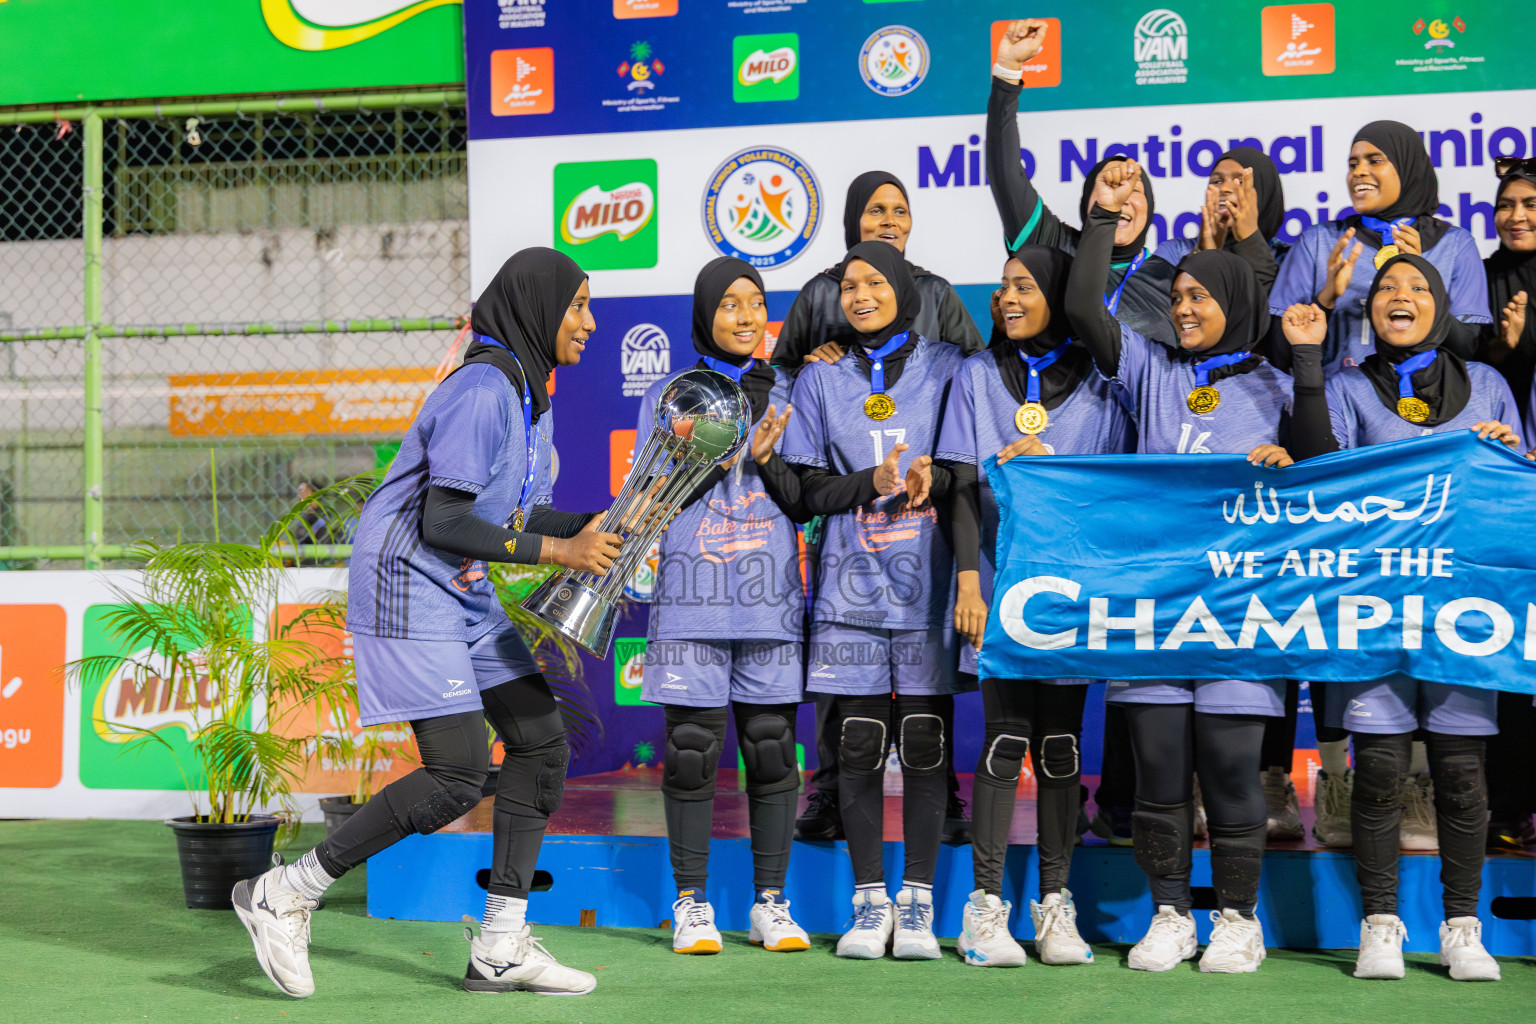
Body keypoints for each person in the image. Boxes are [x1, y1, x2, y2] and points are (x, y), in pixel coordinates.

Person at [232, 248, 619, 999]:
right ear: (539, 308)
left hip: (460, 590)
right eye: (578, 305)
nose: (590, 322)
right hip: (409, 586)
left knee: (539, 742)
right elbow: (443, 519)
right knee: (456, 774)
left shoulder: (528, 391)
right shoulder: (483, 389)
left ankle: (501, 945)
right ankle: (287, 890)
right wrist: (561, 549)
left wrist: (590, 525)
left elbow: (504, 513)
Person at [1065, 159, 1290, 974]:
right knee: (1159, 771)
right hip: (1154, 609)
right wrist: (1100, 220)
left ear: (1237, 300)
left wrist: (1290, 452)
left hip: (1241, 610)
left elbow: (1330, 474)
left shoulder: (1277, 386)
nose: (1187, 307)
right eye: (1180, 295)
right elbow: (1085, 304)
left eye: (1202, 295)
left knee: (1231, 769)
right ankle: (1169, 916)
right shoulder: (1152, 372)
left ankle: (1238, 919)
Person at [1281, 251, 1519, 982]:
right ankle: (1379, 925)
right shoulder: (1348, 388)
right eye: (1386, 287)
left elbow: (1521, 490)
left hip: (1463, 615)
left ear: (1442, 306)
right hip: (1376, 610)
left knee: (1461, 777)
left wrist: (1514, 455)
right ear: (1370, 308)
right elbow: (1321, 466)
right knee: (1379, 775)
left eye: (1418, 286)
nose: (1401, 295)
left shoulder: (1489, 386)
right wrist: (1310, 363)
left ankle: (1461, 925)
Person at [936, 246, 1132, 967]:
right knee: (1003, 739)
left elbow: (1121, 497)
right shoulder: (976, 375)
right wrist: (967, 582)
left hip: (1072, 594)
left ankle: (1055, 904)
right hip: (997, 583)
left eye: (1025, 286)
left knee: (1061, 748)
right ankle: (985, 910)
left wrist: (1060, 472)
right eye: (1003, 288)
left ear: (1057, 293)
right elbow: (957, 484)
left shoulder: (1107, 389)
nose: (1008, 298)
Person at [777, 171, 981, 848]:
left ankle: (943, 790)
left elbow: (976, 393)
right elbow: (786, 386)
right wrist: (820, 367)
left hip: (926, 554)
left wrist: (939, 471)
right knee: (850, 696)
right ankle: (830, 788)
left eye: (900, 210)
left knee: (927, 705)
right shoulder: (817, 303)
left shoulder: (942, 311)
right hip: (850, 558)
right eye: (874, 211)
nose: (888, 220)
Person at [638, 258, 813, 956]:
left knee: (772, 754)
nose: (745, 315)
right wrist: (711, 449)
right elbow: (652, 499)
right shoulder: (673, 393)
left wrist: (770, 457)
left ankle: (771, 903)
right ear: (704, 316)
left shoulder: (793, 392)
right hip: (693, 603)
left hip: (767, 606)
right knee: (690, 754)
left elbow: (803, 499)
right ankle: (691, 904)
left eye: (756, 302)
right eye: (729, 304)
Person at [1479, 161, 1536, 852]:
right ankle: (1506, 808)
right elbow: (1490, 380)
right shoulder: (1485, 281)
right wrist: (1511, 350)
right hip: (1510, 498)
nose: (1517, 215)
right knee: (1517, 661)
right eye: (1508, 204)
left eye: (1531, 203)